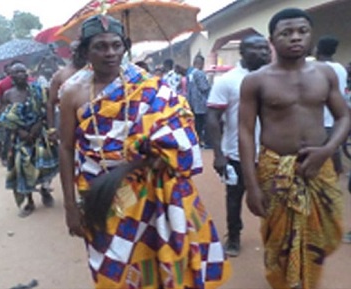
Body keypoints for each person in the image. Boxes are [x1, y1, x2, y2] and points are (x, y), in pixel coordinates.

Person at [59, 14, 230, 289]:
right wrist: (69, 206)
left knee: (155, 255)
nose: (110, 53)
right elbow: (66, 148)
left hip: (149, 191)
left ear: (125, 46)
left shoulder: (149, 85)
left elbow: (180, 131)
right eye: (100, 46)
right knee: (111, 269)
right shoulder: (72, 92)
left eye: (116, 45)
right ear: (84, 51)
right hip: (99, 194)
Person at [238, 8, 350, 289]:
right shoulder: (256, 80)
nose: (295, 38)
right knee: (278, 240)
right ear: (272, 40)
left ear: (310, 35)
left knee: (322, 233)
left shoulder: (325, 74)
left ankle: (306, 280)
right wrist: (251, 186)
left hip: (318, 167)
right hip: (275, 169)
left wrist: (327, 149)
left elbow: (344, 116)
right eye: (286, 33)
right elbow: (246, 132)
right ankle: (287, 283)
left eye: (302, 31)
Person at [207, 34, 271, 257]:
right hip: (236, 154)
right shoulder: (227, 80)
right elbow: (212, 118)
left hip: (271, 154)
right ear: (242, 52)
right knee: (234, 198)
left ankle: (275, 239)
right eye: (257, 49)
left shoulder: (274, 77)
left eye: (266, 48)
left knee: (276, 198)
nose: (264, 53)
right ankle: (234, 236)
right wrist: (218, 154)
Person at [0, 63, 59, 217]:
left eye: (22, 71)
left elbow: (47, 108)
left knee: (43, 166)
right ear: (10, 76)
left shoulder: (38, 90)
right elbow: (4, 117)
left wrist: (41, 125)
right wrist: (19, 130)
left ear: (27, 74)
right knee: (22, 168)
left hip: (39, 133)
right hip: (20, 138)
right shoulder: (8, 95)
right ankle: (29, 201)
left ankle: (45, 191)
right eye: (15, 72)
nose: (20, 74)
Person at [314, 36, 348, 175]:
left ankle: (330, 174)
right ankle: (337, 171)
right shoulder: (340, 67)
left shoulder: (319, 68)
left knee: (323, 148)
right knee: (334, 146)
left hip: (322, 116)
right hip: (336, 114)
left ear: (319, 50)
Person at [46, 40, 87, 141]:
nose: (78, 54)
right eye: (75, 51)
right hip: (67, 122)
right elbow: (51, 103)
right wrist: (51, 128)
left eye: (81, 50)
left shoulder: (95, 72)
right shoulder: (60, 75)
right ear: (70, 53)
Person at [187, 54, 211, 147]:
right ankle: (203, 141)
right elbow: (204, 87)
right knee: (203, 124)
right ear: (201, 63)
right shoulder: (200, 73)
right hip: (201, 103)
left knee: (196, 124)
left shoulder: (190, 73)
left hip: (193, 102)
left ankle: (196, 140)